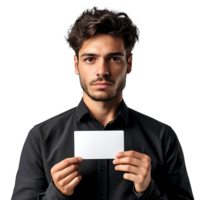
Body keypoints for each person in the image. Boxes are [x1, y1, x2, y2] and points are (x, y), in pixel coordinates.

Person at [10, 5, 195, 200]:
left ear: (129, 64)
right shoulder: (40, 138)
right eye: (90, 59)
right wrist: (56, 194)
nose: (102, 71)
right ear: (75, 65)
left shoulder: (163, 137)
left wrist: (148, 190)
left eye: (114, 58)